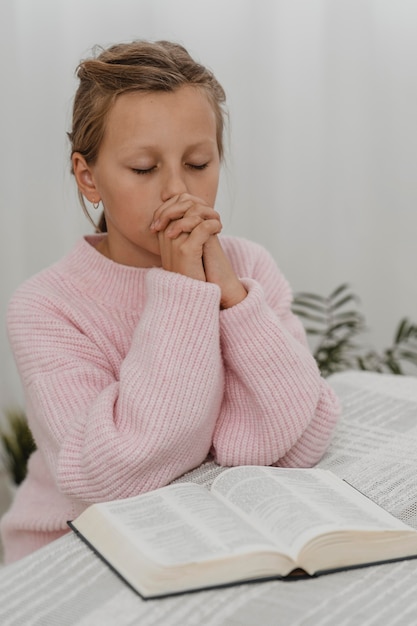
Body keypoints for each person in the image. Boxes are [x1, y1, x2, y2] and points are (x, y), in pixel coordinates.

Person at [1, 40, 340, 563]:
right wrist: (184, 293)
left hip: (203, 538)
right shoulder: (46, 307)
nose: (178, 191)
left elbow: (299, 439)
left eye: (199, 162)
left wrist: (230, 297)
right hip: (73, 549)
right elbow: (117, 478)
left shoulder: (249, 272)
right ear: (88, 177)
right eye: (143, 168)